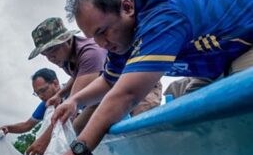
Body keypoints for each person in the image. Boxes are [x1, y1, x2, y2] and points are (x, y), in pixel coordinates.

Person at [37, 0, 253, 155]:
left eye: (102, 32)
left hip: (245, 44)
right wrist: (75, 100)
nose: (102, 44)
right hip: (215, 64)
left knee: (235, 114)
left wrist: (78, 152)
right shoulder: (122, 37)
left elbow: (126, 94)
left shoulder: (163, 15)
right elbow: (108, 81)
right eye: (94, 38)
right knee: (196, 124)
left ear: (127, 7)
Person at [28, 17, 162, 135]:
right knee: (78, 132)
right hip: (107, 93)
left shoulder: (91, 53)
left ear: (67, 40)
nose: (50, 58)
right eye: (45, 54)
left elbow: (72, 105)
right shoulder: (64, 58)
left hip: (140, 83)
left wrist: (45, 142)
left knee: (144, 128)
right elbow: (79, 76)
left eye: (52, 50)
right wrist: (61, 94)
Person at [0, 68, 60, 155]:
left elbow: (72, 121)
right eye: (37, 93)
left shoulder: (73, 95)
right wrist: (8, 128)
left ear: (55, 83)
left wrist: (45, 139)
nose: (41, 96)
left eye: (43, 90)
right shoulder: (46, 105)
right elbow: (27, 125)